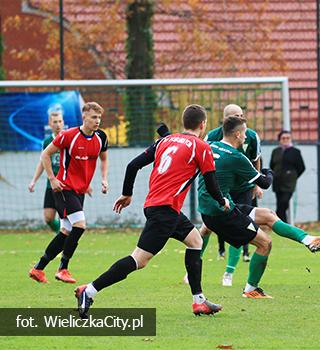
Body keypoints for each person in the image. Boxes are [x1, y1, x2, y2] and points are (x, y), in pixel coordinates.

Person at [74, 104, 230, 318]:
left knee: (195, 241)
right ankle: (89, 290)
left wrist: (127, 193)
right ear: (203, 124)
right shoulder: (201, 147)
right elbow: (211, 183)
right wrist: (222, 201)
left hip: (160, 206)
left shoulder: (165, 141)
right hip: (164, 211)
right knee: (139, 260)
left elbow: (132, 166)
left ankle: (199, 301)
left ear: (183, 123)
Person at [198, 115, 320, 297]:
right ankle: (251, 289)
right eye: (245, 133)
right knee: (265, 243)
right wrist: (268, 172)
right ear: (238, 134)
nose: (247, 137)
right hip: (222, 213)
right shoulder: (236, 157)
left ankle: (309, 240)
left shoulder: (209, 146)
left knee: (268, 215)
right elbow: (264, 183)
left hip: (213, 208)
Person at [28, 102, 109, 284]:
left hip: (79, 190)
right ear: (84, 117)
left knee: (66, 231)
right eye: (94, 117)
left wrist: (104, 179)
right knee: (79, 225)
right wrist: (52, 178)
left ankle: (39, 268)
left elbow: (104, 158)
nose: (97, 121)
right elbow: (45, 155)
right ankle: (63, 268)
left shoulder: (101, 137)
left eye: (99, 117)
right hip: (64, 188)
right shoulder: (69, 135)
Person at [205, 104, 260, 277]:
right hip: (220, 190)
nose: (241, 118)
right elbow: (204, 163)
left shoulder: (251, 135)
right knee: (206, 228)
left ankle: (230, 271)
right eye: (236, 115)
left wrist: (257, 184)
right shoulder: (212, 137)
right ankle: (192, 269)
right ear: (226, 120)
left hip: (243, 187)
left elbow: (256, 159)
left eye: (242, 115)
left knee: (243, 224)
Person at [28, 107, 65, 234]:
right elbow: (43, 161)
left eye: (60, 121)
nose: (58, 124)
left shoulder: (68, 139)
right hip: (51, 184)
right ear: (50, 124)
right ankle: (59, 235)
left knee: (64, 217)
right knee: (48, 218)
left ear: (63, 122)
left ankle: (63, 241)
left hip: (65, 184)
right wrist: (33, 181)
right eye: (55, 122)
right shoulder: (47, 142)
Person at [270, 130, 305, 223]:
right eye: (283, 138)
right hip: (277, 181)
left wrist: (293, 176)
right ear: (279, 140)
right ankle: (283, 224)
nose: (285, 140)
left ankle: (276, 221)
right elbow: (272, 165)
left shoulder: (295, 152)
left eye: (288, 138)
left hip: (289, 183)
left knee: (284, 203)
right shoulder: (275, 151)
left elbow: (301, 167)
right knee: (280, 203)